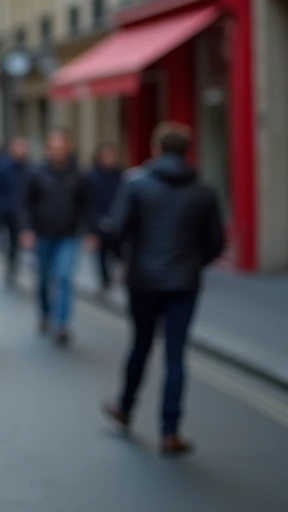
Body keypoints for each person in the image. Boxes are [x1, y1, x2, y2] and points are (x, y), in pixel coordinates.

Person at [102, 123, 225, 456]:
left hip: (143, 281)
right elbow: (216, 243)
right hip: (183, 283)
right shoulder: (203, 189)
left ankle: (125, 407)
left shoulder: (136, 183)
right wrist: (192, 263)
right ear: (187, 150)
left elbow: (116, 231)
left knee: (140, 345)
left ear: (157, 149)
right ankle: (170, 432)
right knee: (176, 356)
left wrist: (122, 260)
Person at [19, 128, 88, 346]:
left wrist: (90, 231)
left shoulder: (79, 174)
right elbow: (24, 204)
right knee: (44, 279)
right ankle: (46, 314)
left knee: (65, 277)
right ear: (48, 150)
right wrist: (27, 230)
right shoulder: (36, 173)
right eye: (54, 147)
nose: (58, 151)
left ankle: (62, 324)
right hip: (43, 235)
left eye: (62, 146)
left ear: (68, 148)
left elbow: (86, 206)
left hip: (68, 235)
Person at [0, 135, 30, 287]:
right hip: (6, 211)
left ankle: (13, 264)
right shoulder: (2, 167)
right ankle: (10, 263)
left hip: (22, 213)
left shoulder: (30, 169)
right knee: (7, 240)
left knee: (16, 242)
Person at [84, 143, 123, 294]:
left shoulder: (121, 176)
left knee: (118, 252)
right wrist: (90, 229)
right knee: (101, 255)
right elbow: (88, 203)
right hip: (97, 220)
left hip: (117, 220)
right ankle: (105, 281)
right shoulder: (91, 176)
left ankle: (117, 279)